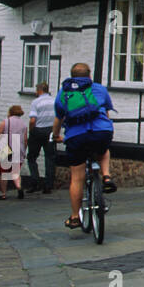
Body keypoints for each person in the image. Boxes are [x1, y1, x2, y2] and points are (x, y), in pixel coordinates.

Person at [52, 62, 116, 230]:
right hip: (101, 132)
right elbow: (107, 112)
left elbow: (58, 119)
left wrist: (57, 135)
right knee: (103, 151)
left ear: (72, 76)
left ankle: (74, 217)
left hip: (76, 137)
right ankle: (107, 176)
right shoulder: (100, 89)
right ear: (89, 76)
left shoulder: (63, 93)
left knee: (77, 178)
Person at [26, 81, 56, 194]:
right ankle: (48, 185)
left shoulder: (36, 102)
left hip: (37, 131)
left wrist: (31, 130)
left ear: (39, 90)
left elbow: (33, 119)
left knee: (32, 157)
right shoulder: (54, 101)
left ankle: (35, 182)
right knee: (50, 157)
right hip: (50, 131)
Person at [0, 105, 28, 200]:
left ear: (10, 112)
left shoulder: (6, 122)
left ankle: (3, 194)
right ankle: (19, 187)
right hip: (19, 150)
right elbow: (25, 140)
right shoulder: (24, 124)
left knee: (3, 172)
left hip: (6, 149)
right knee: (15, 172)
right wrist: (24, 151)